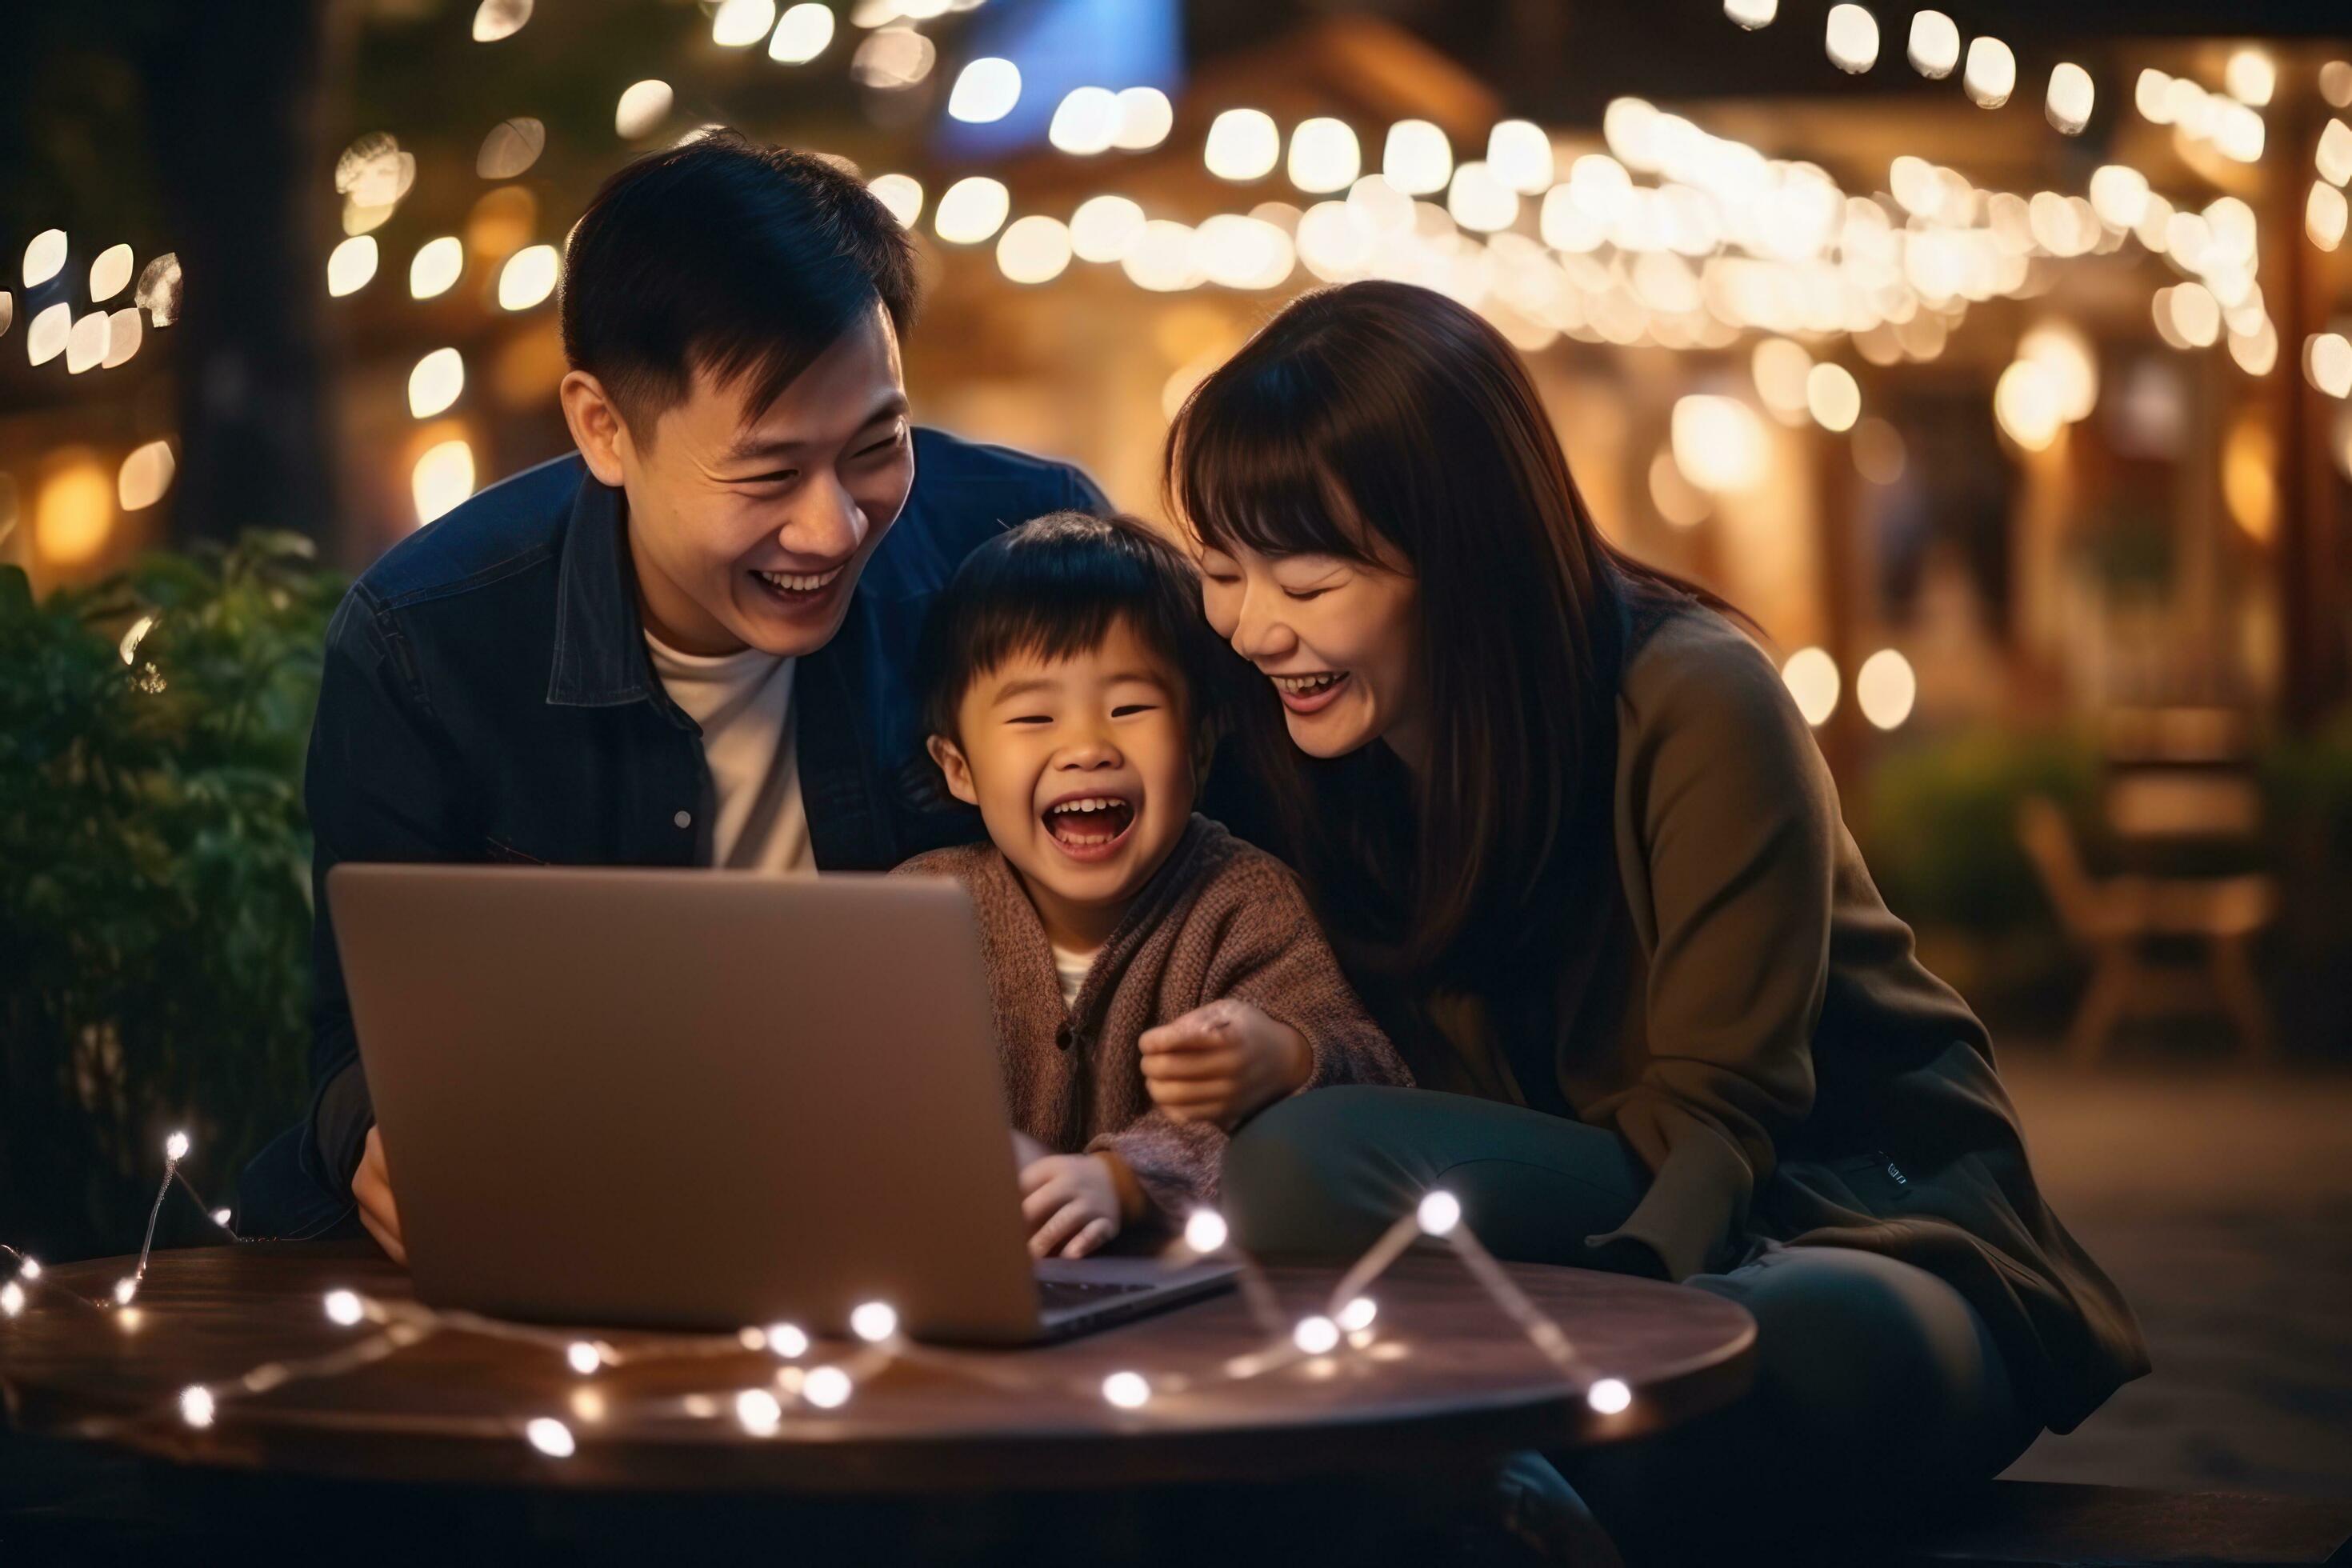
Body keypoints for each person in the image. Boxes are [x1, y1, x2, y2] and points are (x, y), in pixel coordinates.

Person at [1164, 281, 2151, 1558]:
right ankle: (1511, 1475)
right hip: (1556, 1234)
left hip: (1832, 1214)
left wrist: (1570, 1336)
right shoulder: (1303, 740)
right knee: (1298, 1162)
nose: (1254, 628)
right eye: (1220, 572)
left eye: (1304, 577)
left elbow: (1719, 1113)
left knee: (1820, 1342)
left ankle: (1476, 1468)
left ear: (1467, 549)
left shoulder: (1695, 698)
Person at [234, 133, 1106, 1251]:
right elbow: (356, 1041)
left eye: (877, 445)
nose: (834, 526)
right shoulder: (427, 642)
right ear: (604, 427)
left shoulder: (1021, 551)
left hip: (966, 1220)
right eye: (769, 472)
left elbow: (1199, 888)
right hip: (585, 1233)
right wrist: (382, 1135)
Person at [894, 513, 1410, 1259]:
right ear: (959, 768)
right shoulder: (920, 911)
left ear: (1200, 744)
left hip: (1190, 1307)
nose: (1085, 749)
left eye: (1129, 709)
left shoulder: (1247, 905)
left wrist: (1283, 1058)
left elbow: (1370, 1080)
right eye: (1034, 716)